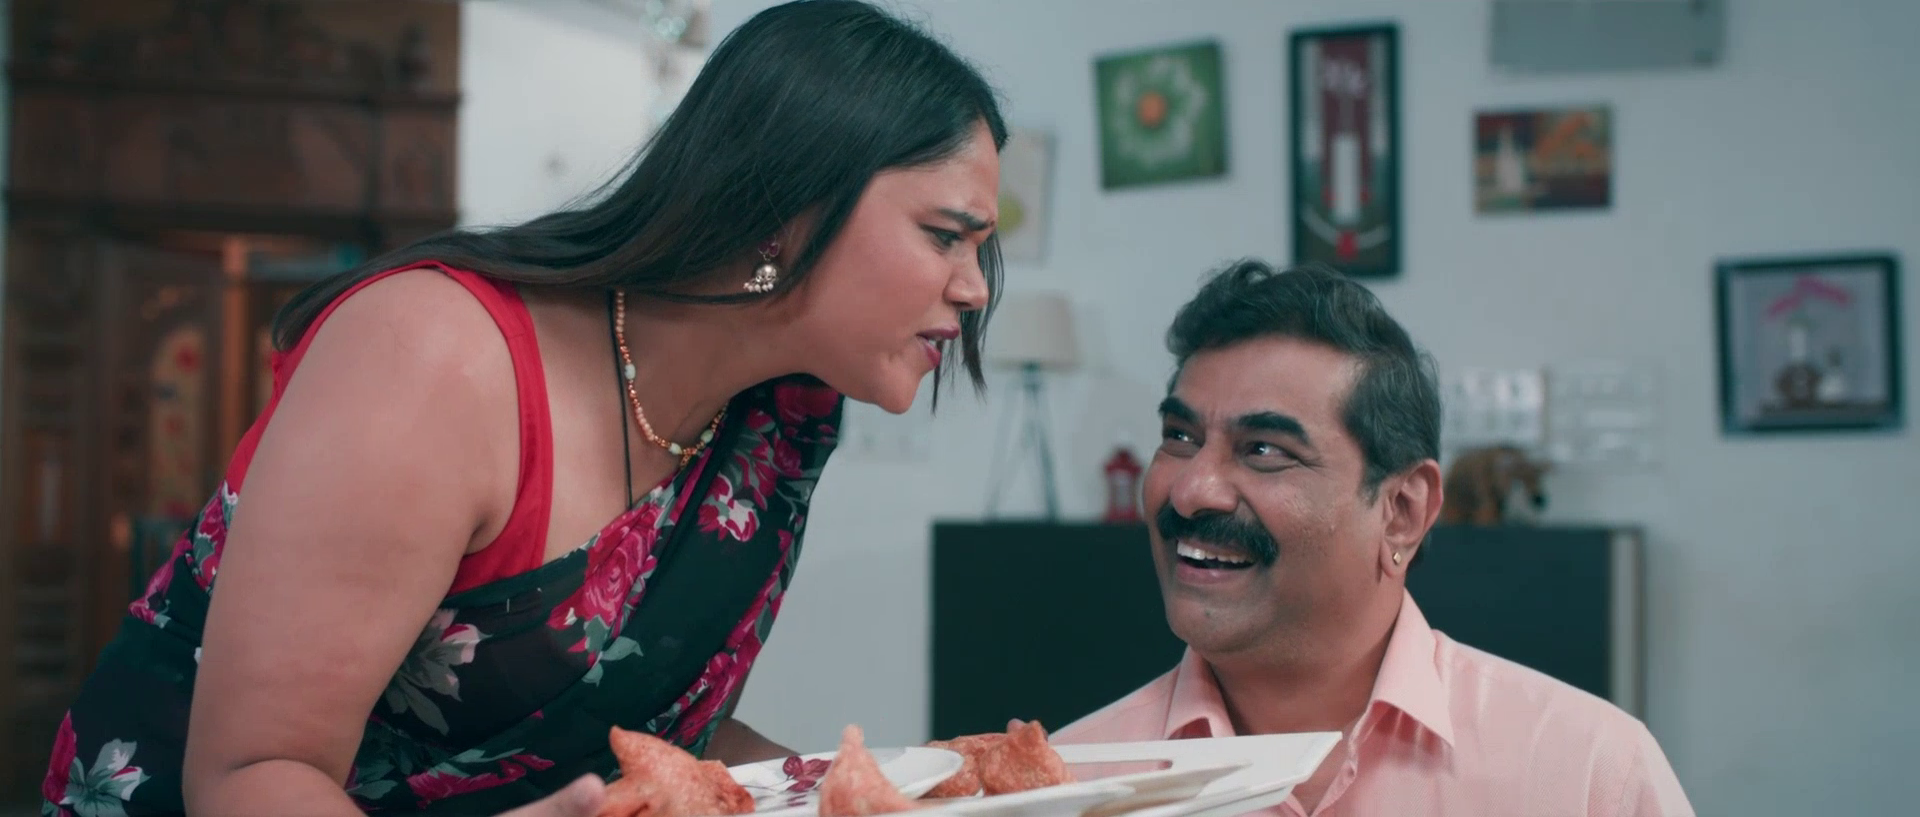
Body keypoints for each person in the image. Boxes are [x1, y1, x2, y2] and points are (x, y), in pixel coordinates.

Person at [42, 2, 1006, 815]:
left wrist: (874, 794)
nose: (973, 289)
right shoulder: (435, 358)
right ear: (790, 205)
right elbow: (251, 775)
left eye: (980, 249)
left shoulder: (784, 416)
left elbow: (651, 735)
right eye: (943, 235)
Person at [1054, 261, 1693, 816]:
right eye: (1180, 437)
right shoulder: (1067, 786)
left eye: (1264, 449)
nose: (1192, 490)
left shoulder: (1589, 775)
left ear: (1402, 512)